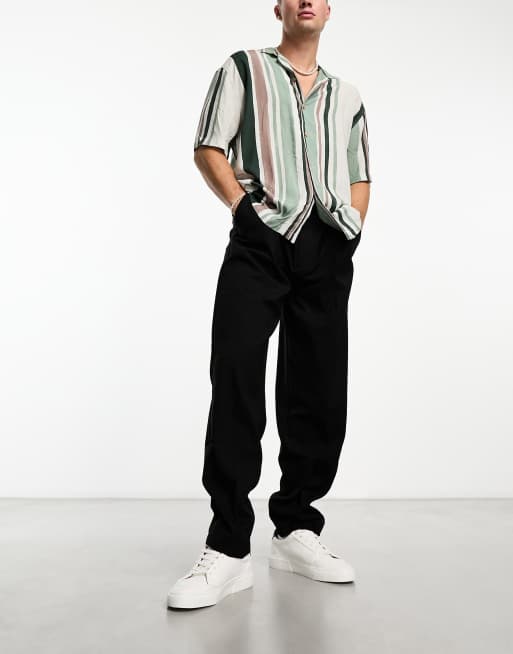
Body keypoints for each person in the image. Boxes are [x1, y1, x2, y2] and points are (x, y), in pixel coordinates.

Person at [167, 0, 372, 610]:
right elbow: (209, 146)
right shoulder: (243, 68)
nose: (306, 0)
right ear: (278, 7)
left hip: (326, 245)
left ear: (329, 10)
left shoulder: (346, 94)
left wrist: (352, 227)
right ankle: (229, 545)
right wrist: (243, 210)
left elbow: (360, 171)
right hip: (260, 241)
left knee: (319, 386)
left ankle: (296, 528)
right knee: (236, 376)